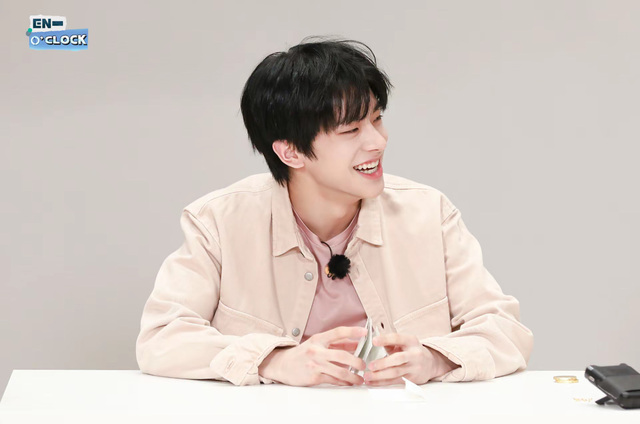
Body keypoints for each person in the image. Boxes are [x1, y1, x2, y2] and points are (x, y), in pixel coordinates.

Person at [135, 36, 534, 387]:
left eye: (377, 119)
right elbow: (162, 338)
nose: (378, 142)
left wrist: (435, 359)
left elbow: (506, 331)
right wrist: (275, 361)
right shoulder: (220, 222)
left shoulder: (429, 214)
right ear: (291, 151)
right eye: (351, 130)